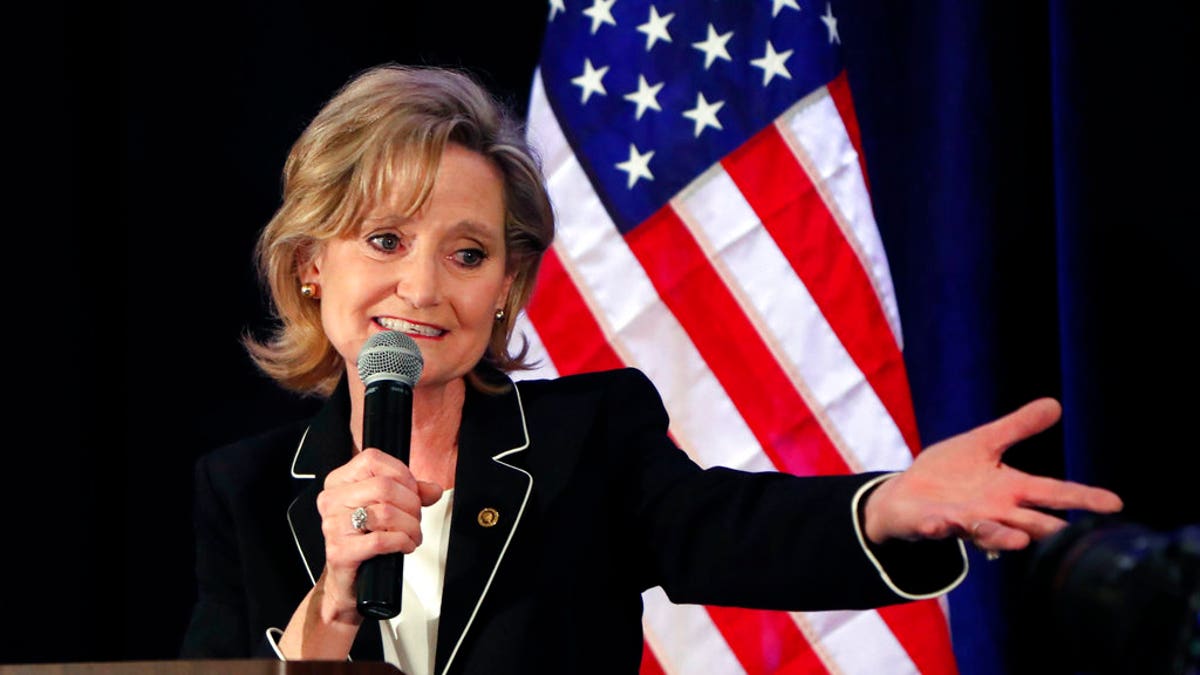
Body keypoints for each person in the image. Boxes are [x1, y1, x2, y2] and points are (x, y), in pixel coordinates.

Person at [180, 63, 1123, 674]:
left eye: (468, 254)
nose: (422, 286)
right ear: (312, 263)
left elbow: (735, 529)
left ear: (508, 284)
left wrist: (887, 506)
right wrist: (336, 595)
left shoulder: (588, 436)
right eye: (385, 239)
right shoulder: (248, 490)